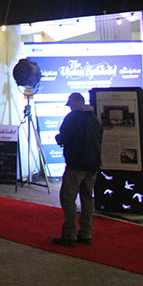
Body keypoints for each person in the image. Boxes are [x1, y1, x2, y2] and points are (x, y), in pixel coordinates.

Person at [53, 92, 103, 247]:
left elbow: (63, 138)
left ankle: (69, 235)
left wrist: (58, 139)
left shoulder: (72, 118)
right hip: (93, 164)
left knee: (68, 198)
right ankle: (86, 233)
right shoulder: (94, 119)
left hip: (76, 164)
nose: (70, 107)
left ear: (75, 103)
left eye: (71, 104)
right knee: (88, 198)